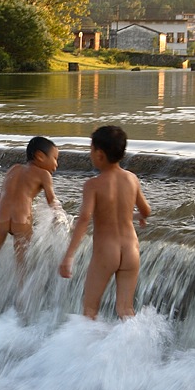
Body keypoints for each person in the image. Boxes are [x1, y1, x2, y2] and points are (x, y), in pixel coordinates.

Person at [59, 125, 151, 320]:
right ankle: (132, 348)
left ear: (99, 154)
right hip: (131, 250)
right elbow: (146, 211)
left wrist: (69, 256)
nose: (90, 154)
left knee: (90, 310)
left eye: (91, 149)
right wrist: (135, 217)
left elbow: (84, 219)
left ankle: (89, 350)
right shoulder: (132, 179)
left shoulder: (93, 185)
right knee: (126, 310)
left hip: (106, 251)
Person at [0, 136, 60, 314]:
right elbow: (52, 202)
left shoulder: (13, 169)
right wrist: (60, 221)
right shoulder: (44, 174)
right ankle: (22, 310)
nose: (56, 164)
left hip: (0, 220)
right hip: (21, 222)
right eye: (54, 158)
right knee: (22, 268)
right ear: (39, 156)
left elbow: (2, 197)